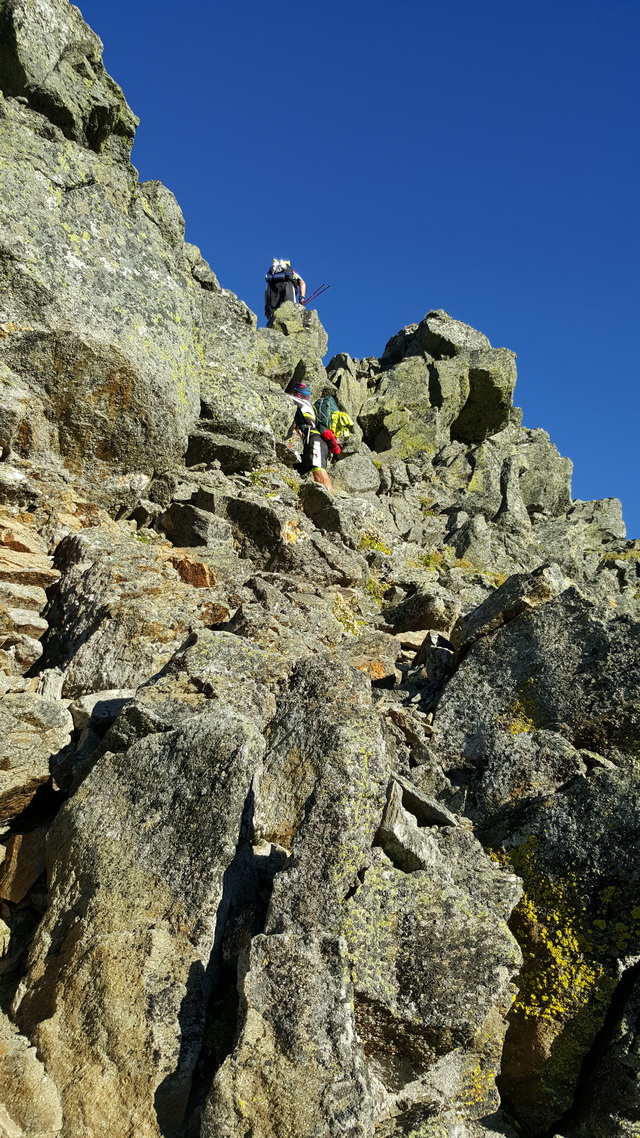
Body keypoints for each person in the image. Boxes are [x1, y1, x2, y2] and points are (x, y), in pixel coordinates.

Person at [288, 381, 341, 491]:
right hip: (315, 440)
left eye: (293, 392)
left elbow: (284, 398)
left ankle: (330, 498)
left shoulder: (302, 402)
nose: (291, 394)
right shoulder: (308, 407)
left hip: (314, 440)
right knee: (306, 468)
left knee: (318, 470)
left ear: (298, 394)